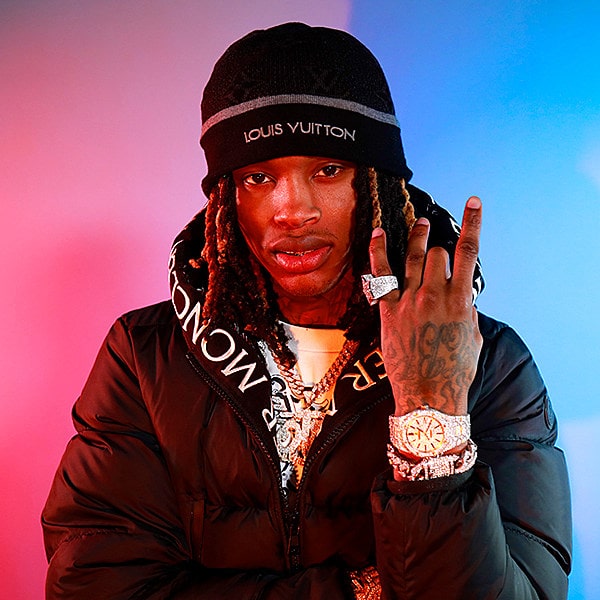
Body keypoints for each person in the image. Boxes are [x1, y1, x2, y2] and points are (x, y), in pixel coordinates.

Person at [42, 22, 572, 599]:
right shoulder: (144, 356)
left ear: (377, 182)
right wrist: (360, 591)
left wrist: (432, 410)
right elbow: (93, 586)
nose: (292, 210)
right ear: (226, 196)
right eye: (258, 176)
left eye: (328, 170)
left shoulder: (490, 362)